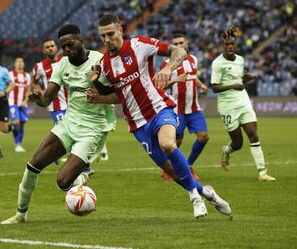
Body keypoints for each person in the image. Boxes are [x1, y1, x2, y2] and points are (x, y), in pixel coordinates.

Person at [86, 13, 231, 219]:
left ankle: (194, 197)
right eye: (103, 36)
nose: (107, 39)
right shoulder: (105, 65)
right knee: (172, 172)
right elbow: (120, 97)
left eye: (111, 33)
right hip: (137, 125)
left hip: (159, 109)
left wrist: (169, 68)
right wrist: (97, 97)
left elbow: (179, 51)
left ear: (121, 30)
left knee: (168, 144)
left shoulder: (139, 45)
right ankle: (207, 192)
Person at [1, 24, 116, 224]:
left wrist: (96, 83)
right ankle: (20, 215)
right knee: (32, 166)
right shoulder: (63, 64)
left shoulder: (100, 60)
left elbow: (114, 94)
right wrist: (37, 97)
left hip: (93, 129)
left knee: (63, 182)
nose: (67, 50)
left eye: (70, 44)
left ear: (80, 40)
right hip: (69, 123)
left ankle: (80, 181)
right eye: (64, 47)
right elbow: (47, 99)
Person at [211, 27, 276, 181]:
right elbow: (214, 87)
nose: (230, 47)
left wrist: (246, 79)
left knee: (253, 134)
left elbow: (239, 79)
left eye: (232, 44)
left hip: (243, 101)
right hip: (227, 106)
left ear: (236, 44)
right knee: (238, 143)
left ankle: (262, 173)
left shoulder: (240, 60)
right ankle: (227, 151)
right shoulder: (217, 63)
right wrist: (233, 85)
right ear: (223, 46)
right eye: (227, 44)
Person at [32, 38, 109, 163]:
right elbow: (35, 83)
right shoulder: (39, 67)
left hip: (74, 105)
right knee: (71, 134)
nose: (51, 48)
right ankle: (83, 161)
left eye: (52, 45)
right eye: (47, 47)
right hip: (55, 107)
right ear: (43, 50)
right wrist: (37, 92)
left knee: (78, 133)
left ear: (57, 48)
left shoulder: (67, 61)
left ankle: (85, 160)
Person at [160, 33, 209, 181]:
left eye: (181, 43)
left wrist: (201, 86)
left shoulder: (193, 59)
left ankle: (188, 165)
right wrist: (175, 79)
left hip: (194, 108)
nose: (179, 46)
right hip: (177, 110)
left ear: (186, 43)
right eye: (176, 44)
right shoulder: (168, 63)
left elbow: (194, 76)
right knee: (175, 142)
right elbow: (162, 85)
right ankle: (167, 168)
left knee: (204, 137)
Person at [8, 57, 31, 152]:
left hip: (23, 104)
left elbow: (28, 90)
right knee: (16, 122)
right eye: (18, 61)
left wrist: (25, 101)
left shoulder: (27, 76)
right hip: (12, 103)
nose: (20, 63)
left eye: (21, 61)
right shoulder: (10, 75)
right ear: (14, 64)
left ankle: (19, 144)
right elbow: (7, 86)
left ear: (24, 64)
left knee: (22, 124)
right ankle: (17, 144)